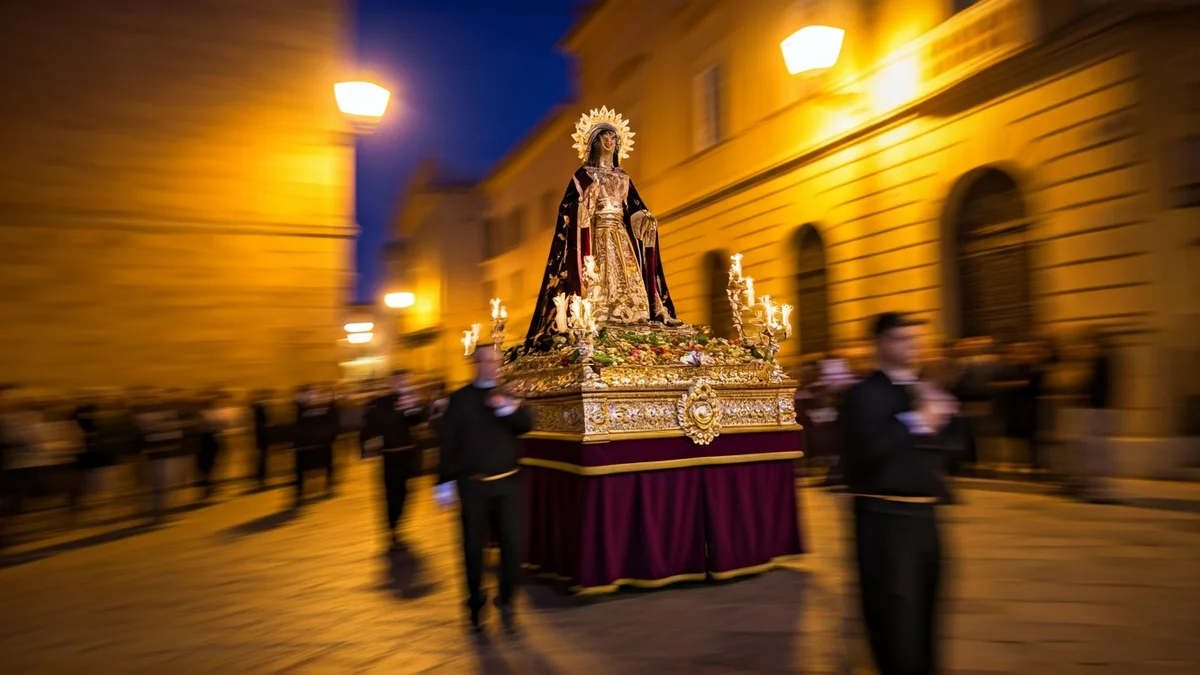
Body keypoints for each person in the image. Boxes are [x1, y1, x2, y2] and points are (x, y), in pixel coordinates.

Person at [840, 313, 961, 675]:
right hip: (885, 520)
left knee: (926, 616)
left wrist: (946, 421)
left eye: (914, 339)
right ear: (880, 344)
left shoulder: (925, 391)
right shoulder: (862, 395)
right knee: (895, 622)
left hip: (927, 518)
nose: (912, 346)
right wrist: (919, 422)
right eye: (901, 339)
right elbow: (866, 452)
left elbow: (957, 450)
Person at [524, 106, 680, 350]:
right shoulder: (584, 176)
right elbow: (569, 209)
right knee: (600, 277)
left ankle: (634, 315)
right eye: (604, 136)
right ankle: (596, 315)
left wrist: (645, 218)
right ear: (594, 142)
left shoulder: (623, 177)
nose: (609, 140)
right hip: (596, 236)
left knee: (627, 277)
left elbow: (634, 210)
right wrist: (585, 204)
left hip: (621, 236)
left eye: (613, 137)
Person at [435, 345, 533, 634]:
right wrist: (443, 482)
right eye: (487, 360)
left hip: (507, 484)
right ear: (475, 363)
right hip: (472, 485)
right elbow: (447, 442)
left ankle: (506, 598)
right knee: (472, 549)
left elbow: (525, 426)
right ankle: (475, 604)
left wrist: (506, 408)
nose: (492, 365)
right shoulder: (460, 399)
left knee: (512, 546)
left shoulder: (509, 394)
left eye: (497, 361)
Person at [363, 370, 426, 550]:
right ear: (391, 382)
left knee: (407, 493)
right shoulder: (381, 403)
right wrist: (369, 450)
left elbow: (419, 421)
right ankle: (392, 529)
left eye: (406, 380)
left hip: (409, 454)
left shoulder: (411, 399)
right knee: (391, 494)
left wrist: (413, 407)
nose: (403, 383)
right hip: (390, 455)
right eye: (399, 380)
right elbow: (370, 427)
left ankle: (398, 523)